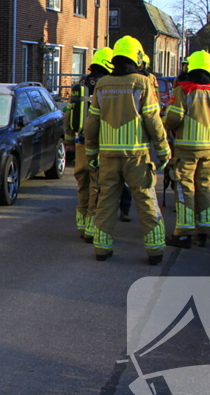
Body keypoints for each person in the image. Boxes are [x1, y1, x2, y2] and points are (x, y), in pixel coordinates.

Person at [83, 35, 172, 265]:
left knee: (106, 202)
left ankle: (102, 249)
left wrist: (91, 153)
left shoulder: (102, 84)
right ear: (138, 57)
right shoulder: (141, 83)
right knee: (145, 200)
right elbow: (152, 119)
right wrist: (163, 150)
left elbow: (91, 123)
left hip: (108, 156)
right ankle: (154, 251)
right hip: (137, 156)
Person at [163, 51, 210, 248]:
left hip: (186, 148)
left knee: (185, 188)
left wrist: (166, 122)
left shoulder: (184, 89)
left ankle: (183, 233)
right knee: (204, 187)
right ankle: (204, 230)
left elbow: (174, 117)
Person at [64, 47, 115, 240]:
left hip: (80, 142)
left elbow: (70, 112)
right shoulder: (107, 86)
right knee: (97, 186)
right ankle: (92, 228)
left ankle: (81, 224)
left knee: (82, 184)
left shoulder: (81, 84)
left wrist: (69, 138)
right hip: (100, 143)